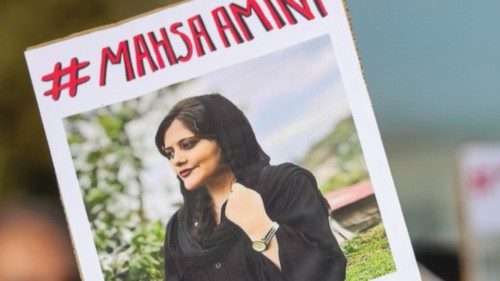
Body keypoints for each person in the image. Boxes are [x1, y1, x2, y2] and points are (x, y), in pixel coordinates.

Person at [155, 94, 346, 281]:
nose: (177, 161)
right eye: (170, 153)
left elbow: (329, 272)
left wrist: (262, 229)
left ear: (224, 137)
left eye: (187, 144)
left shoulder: (285, 184)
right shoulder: (178, 229)